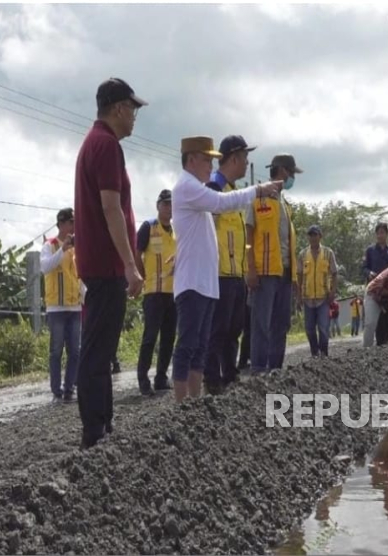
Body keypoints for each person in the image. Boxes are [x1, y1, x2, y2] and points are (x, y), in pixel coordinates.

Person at [171, 136, 281, 402]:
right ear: (192, 159)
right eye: (208, 159)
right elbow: (222, 203)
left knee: (200, 346)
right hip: (193, 283)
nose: (212, 164)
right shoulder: (188, 187)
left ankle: (194, 401)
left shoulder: (198, 190)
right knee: (187, 345)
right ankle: (180, 405)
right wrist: (259, 190)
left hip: (206, 283)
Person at [74, 77, 146, 449]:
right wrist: (130, 265)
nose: (135, 117)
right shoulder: (105, 145)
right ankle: (94, 431)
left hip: (102, 264)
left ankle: (103, 425)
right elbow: (110, 207)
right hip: (105, 265)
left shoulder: (97, 142)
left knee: (102, 349)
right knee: (98, 351)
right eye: (133, 110)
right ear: (118, 108)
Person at [204, 135, 256, 394]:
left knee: (233, 327)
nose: (247, 163)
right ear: (234, 158)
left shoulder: (234, 194)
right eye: (245, 158)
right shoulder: (213, 189)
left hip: (235, 273)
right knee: (218, 329)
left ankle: (229, 373)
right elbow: (209, 230)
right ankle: (212, 379)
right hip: (219, 272)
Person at [246, 154, 301, 374]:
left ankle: (275, 370)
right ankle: (259, 369)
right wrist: (250, 268)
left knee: (281, 324)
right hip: (265, 272)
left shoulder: (285, 206)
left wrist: (295, 277)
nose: (292, 178)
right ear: (282, 171)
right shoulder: (258, 199)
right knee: (261, 324)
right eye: (291, 173)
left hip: (285, 273)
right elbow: (248, 237)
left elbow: (288, 243)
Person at [135, 189, 176, 395]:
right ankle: (143, 378)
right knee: (150, 337)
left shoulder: (176, 231)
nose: (169, 208)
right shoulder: (148, 227)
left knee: (169, 338)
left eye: (172, 204)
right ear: (158, 205)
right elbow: (137, 253)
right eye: (166, 204)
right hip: (153, 292)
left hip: (173, 293)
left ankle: (161, 377)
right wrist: (141, 276)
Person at [40, 208, 83, 404]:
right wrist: (62, 249)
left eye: (74, 222)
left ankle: (69, 388)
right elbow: (45, 267)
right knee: (56, 351)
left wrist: (86, 296)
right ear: (61, 224)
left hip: (74, 307)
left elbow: (78, 277)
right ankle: (56, 390)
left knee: (75, 351)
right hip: (56, 308)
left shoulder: (77, 248)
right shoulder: (50, 245)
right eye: (71, 222)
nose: (73, 226)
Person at [297, 225, 338, 358]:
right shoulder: (302, 254)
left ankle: (324, 354)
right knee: (309, 329)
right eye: (310, 235)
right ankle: (314, 353)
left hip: (323, 298)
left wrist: (332, 291)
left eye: (315, 235)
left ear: (320, 236)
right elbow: (299, 275)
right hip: (308, 297)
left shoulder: (328, 253)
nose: (312, 238)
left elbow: (334, 273)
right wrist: (298, 296)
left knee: (323, 329)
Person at [362, 223, 388, 345]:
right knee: (373, 321)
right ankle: (369, 348)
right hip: (374, 290)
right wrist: (369, 273)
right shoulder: (370, 250)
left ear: (387, 234)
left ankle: (384, 345)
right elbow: (364, 268)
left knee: (387, 319)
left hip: (387, 291)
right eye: (378, 233)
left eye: (382, 232)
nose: (380, 235)